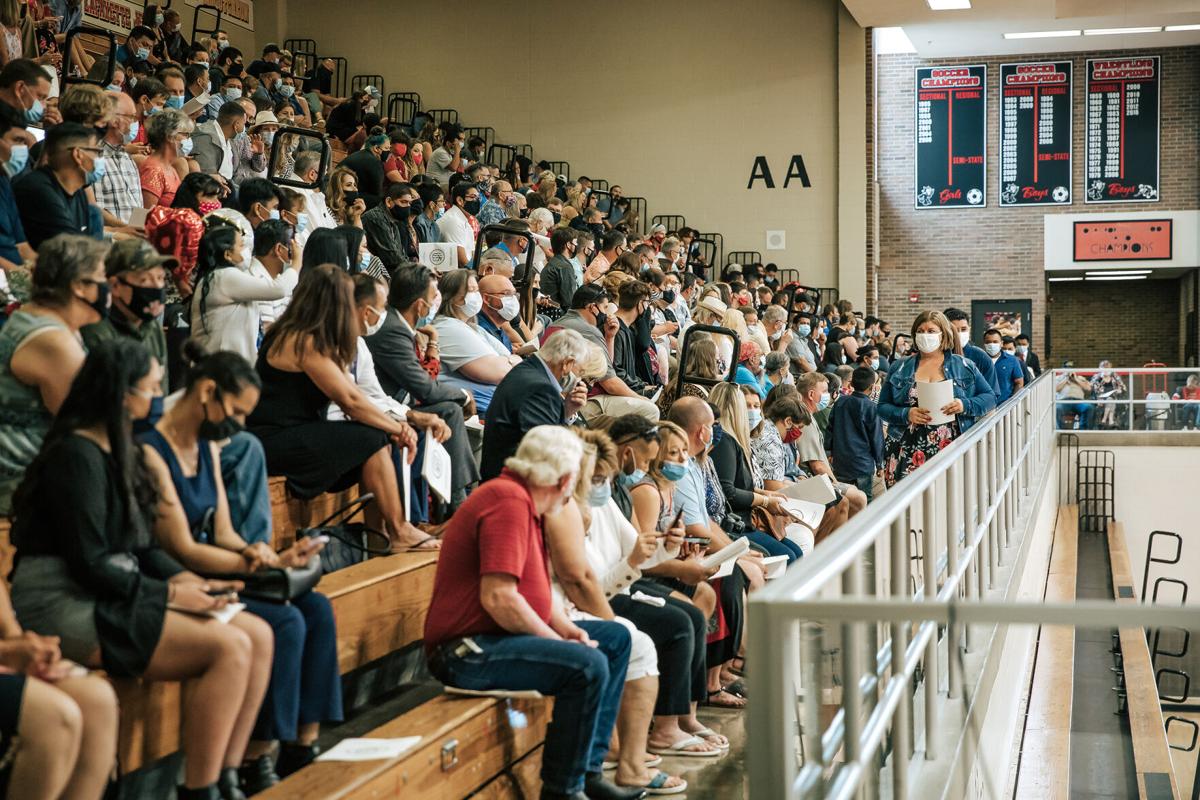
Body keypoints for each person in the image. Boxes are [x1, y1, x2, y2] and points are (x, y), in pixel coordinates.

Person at [9, 339, 270, 800]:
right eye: (150, 387)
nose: (156, 397)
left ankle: (223, 778)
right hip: (62, 600)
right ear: (120, 393)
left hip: (108, 588)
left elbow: (143, 548)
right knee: (227, 647)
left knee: (251, 631)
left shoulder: (117, 448)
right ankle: (200, 788)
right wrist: (169, 596)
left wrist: (191, 583)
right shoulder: (76, 454)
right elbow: (90, 562)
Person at [143, 343, 343, 791]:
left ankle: (301, 746)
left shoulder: (207, 446)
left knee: (317, 609)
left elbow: (226, 529)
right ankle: (251, 758)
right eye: (234, 411)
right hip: (182, 573)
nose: (237, 425)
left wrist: (262, 553)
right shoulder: (152, 449)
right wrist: (250, 566)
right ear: (207, 392)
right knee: (285, 621)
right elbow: (182, 547)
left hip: (220, 563)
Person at [423, 425, 637, 800]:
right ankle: (563, 790)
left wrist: (564, 628)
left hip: (497, 637)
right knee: (587, 666)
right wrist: (555, 638)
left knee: (615, 638)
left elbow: (534, 591)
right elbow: (499, 598)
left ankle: (588, 772)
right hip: (465, 649)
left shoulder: (524, 501)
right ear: (566, 480)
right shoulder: (507, 501)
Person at [540, 429, 689, 795]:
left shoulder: (600, 503)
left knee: (643, 638)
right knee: (633, 636)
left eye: (605, 478)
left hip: (594, 597)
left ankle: (625, 764)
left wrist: (666, 547)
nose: (603, 485)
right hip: (577, 602)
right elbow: (580, 582)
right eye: (596, 479)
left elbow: (638, 551)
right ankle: (602, 764)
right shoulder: (560, 509)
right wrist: (632, 568)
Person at [246, 264, 434, 551]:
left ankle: (379, 535)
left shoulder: (309, 335)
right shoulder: (300, 339)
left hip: (295, 431)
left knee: (372, 435)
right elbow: (351, 401)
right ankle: (398, 530)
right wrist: (399, 428)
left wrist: (393, 426)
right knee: (372, 437)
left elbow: (355, 395)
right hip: (273, 437)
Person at [0, 234, 107, 512]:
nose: (110, 286)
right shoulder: (53, 342)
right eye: (102, 276)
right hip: (21, 483)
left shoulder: (37, 317)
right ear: (79, 287)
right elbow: (84, 423)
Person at [365, 263, 479, 503]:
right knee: (450, 409)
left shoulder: (400, 326)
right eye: (433, 297)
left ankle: (459, 499)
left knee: (449, 409)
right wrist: (465, 396)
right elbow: (425, 388)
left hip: (398, 402)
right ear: (419, 305)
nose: (436, 303)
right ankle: (458, 502)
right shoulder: (392, 330)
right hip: (383, 409)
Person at [879, 311, 997, 486]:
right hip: (906, 446)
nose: (925, 335)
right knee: (908, 505)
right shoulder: (899, 367)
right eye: (921, 330)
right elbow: (882, 407)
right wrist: (906, 413)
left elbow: (990, 398)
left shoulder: (964, 365)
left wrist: (964, 404)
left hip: (952, 444)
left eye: (931, 331)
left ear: (943, 335)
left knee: (949, 499)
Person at [709, 382, 804, 562]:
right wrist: (766, 500)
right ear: (734, 409)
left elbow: (744, 484)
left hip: (745, 521)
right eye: (746, 406)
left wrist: (765, 494)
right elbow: (728, 491)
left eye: (756, 406)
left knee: (796, 553)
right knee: (789, 557)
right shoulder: (725, 443)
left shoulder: (738, 441)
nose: (753, 412)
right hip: (735, 524)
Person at [479, 329, 590, 481]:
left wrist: (567, 410)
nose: (579, 377)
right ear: (567, 364)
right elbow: (548, 451)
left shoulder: (527, 370)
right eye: (580, 370)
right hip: (512, 483)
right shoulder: (541, 389)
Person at [547, 284, 659, 422]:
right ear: (592, 307)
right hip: (584, 401)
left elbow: (605, 367)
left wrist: (609, 337)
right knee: (650, 410)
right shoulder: (588, 330)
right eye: (605, 307)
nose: (607, 313)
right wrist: (641, 398)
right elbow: (610, 383)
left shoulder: (554, 324)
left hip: (560, 401)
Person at [190, 221, 299, 361]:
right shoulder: (224, 277)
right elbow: (278, 289)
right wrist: (296, 263)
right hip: (219, 366)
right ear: (227, 254)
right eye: (241, 245)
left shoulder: (222, 276)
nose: (247, 250)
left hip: (228, 364)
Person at [81, 238, 171, 394]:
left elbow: (162, 389)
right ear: (115, 286)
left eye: (160, 278)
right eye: (144, 279)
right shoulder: (96, 330)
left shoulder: (151, 326)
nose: (157, 286)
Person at [429, 268, 517, 414]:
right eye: (471, 290)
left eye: (477, 291)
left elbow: (517, 366)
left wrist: (510, 360)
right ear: (452, 297)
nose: (476, 296)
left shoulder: (474, 328)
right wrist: (510, 360)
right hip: (477, 412)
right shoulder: (447, 327)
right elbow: (501, 373)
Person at [12, 122, 101, 247]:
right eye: (96, 151)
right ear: (78, 155)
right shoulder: (37, 190)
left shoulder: (77, 190)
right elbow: (73, 248)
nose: (99, 159)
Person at [826, 366, 884, 502]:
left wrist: (829, 452)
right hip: (863, 464)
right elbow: (877, 438)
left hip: (841, 462)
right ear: (872, 387)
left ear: (851, 384)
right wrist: (880, 463)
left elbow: (830, 429)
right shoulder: (871, 408)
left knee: (843, 499)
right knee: (864, 500)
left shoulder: (840, 402)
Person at [93, 89, 145, 229]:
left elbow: (137, 206)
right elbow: (95, 210)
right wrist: (128, 230)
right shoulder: (93, 156)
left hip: (133, 240)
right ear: (114, 120)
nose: (135, 123)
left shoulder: (127, 158)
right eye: (132, 117)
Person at [139, 108, 194, 208]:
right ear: (169, 136)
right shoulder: (153, 170)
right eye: (186, 135)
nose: (189, 139)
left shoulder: (170, 168)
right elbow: (147, 216)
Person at [361, 181, 418, 273]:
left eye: (409, 203)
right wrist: (416, 269)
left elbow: (400, 254)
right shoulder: (376, 218)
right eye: (403, 202)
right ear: (388, 201)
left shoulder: (393, 218)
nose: (407, 207)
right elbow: (392, 257)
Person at [943, 307, 999, 398]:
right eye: (955, 330)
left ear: (969, 329)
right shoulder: (937, 355)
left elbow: (992, 396)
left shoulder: (980, 357)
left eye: (964, 329)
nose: (959, 334)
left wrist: (966, 405)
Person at [190, 100, 247, 183]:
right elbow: (207, 176)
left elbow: (237, 174)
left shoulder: (230, 141)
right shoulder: (204, 139)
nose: (244, 128)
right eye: (244, 123)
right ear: (236, 125)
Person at [340, 128, 388, 208]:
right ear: (376, 148)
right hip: (343, 193)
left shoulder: (361, 153)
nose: (389, 151)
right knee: (378, 200)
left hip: (339, 189)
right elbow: (377, 191)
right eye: (386, 148)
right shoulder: (374, 162)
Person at [437, 181, 481, 268]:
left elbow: (472, 255)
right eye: (473, 197)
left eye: (478, 198)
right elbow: (462, 262)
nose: (477, 201)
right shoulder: (453, 220)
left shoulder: (465, 220)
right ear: (460, 200)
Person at [982, 328, 1024, 403]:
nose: (992, 345)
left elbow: (1019, 382)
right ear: (984, 344)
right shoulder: (978, 360)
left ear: (1001, 343)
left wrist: (1011, 402)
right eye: (988, 342)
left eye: (995, 342)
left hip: (1004, 407)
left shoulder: (1012, 360)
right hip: (984, 405)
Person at [1090, 360, 1126, 429]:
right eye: (1104, 367)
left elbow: (1122, 386)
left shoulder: (1114, 375)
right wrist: (1101, 379)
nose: (1106, 369)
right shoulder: (1097, 376)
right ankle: (1111, 420)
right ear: (1100, 368)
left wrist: (1120, 389)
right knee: (1111, 399)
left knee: (1110, 399)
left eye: (1108, 367)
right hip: (1100, 397)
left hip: (1114, 396)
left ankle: (1104, 419)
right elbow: (1092, 387)